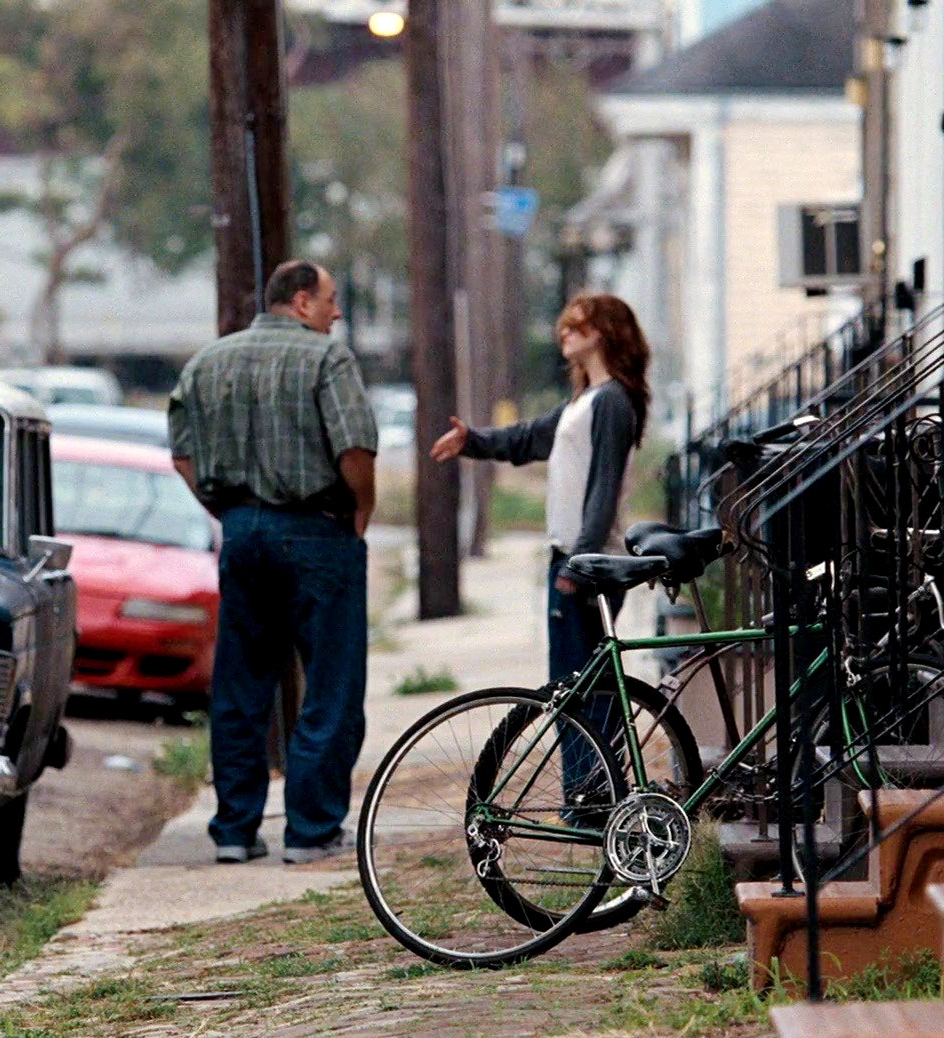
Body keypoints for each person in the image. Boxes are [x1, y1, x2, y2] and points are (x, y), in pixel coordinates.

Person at [168, 259, 378, 865]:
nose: (337, 313)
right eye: (332, 299)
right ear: (304, 300)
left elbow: (181, 454)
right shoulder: (326, 358)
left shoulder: (208, 362)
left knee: (240, 683)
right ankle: (310, 830)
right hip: (317, 532)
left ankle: (234, 830)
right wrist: (363, 508)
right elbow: (355, 445)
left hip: (242, 531)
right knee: (331, 686)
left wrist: (224, 509)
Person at [429, 293, 651, 807]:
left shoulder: (613, 400)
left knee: (576, 691)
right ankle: (597, 797)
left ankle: (591, 800)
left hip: (586, 560)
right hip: (575, 556)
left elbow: (603, 487)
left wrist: (582, 560)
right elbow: (529, 438)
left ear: (603, 333)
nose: (564, 334)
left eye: (576, 326)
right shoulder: (586, 400)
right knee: (580, 688)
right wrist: (473, 442)